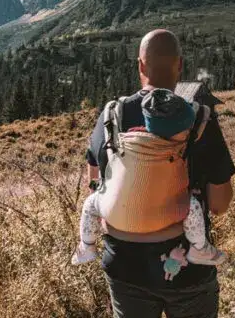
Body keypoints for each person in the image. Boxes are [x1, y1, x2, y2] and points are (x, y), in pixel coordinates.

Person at [83, 29, 235, 318]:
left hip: (124, 265)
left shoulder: (111, 116)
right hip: (187, 266)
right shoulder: (200, 120)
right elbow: (220, 203)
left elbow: (95, 185)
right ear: (180, 66)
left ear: (140, 66)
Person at [73, 88, 226, 267]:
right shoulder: (177, 147)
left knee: (90, 203)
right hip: (166, 216)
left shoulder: (130, 138)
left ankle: (87, 246)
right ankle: (200, 248)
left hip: (118, 217)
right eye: (185, 128)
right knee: (192, 206)